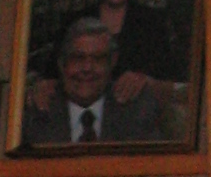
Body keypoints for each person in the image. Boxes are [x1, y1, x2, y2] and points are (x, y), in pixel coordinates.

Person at [28, 0, 181, 127]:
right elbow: (53, 75)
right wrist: (45, 86)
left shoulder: (153, 23)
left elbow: (172, 83)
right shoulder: (73, 22)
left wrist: (146, 81)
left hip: (135, 122)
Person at [21, 21, 162, 146]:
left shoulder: (138, 110)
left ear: (112, 62)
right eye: (78, 58)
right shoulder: (35, 112)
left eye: (98, 59)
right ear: (62, 63)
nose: (87, 68)